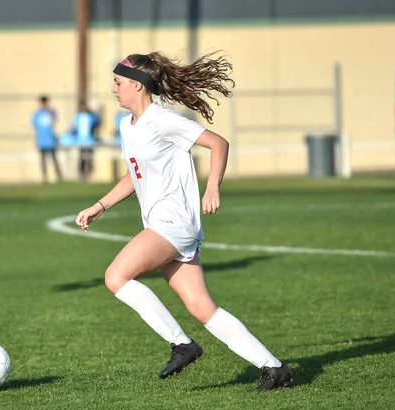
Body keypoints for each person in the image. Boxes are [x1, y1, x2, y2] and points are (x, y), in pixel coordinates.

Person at [75, 51, 293, 392]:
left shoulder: (163, 121)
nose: (114, 89)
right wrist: (99, 205)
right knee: (202, 308)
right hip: (164, 225)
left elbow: (218, 143)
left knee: (116, 276)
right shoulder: (126, 126)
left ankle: (182, 345)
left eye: (118, 83)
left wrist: (212, 188)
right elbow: (135, 175)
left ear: (137, 85)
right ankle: (274, 368)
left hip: (172, 223)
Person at [31, 95, 62, 183]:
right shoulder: (37, 114)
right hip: (41, 141)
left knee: (54, 159)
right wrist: (35, 141)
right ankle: (45, 177)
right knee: (43, 160)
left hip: (51, 140)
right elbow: (35, 128)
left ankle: (59, 177)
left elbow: (55, 122)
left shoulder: (52, 112)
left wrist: (49, 111)